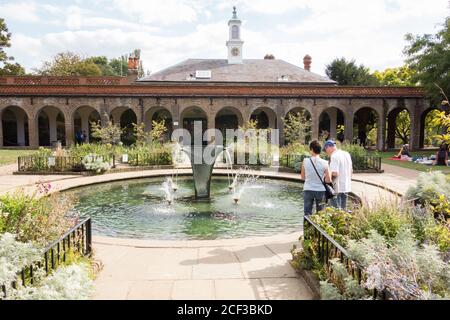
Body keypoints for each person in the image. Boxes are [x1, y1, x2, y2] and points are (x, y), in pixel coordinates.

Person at [301, 140, 332, 216]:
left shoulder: (305, 161)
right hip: (320, 190)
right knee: (321, 214)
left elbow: (302, 177)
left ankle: (307, 227)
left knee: (307, 214)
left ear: (311, 149)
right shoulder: (325, 163)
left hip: (308, 189)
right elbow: (329, 180)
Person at [323, 140, 352, 210]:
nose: (326, 152)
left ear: (328, 147)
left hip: (337, 188)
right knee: (344, 210)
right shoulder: (346, 154)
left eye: (325, 150)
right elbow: (351, 170)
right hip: (346, 186)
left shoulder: (334, 156)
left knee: (336, 211)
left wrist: (326, 176)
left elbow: (335, 173)